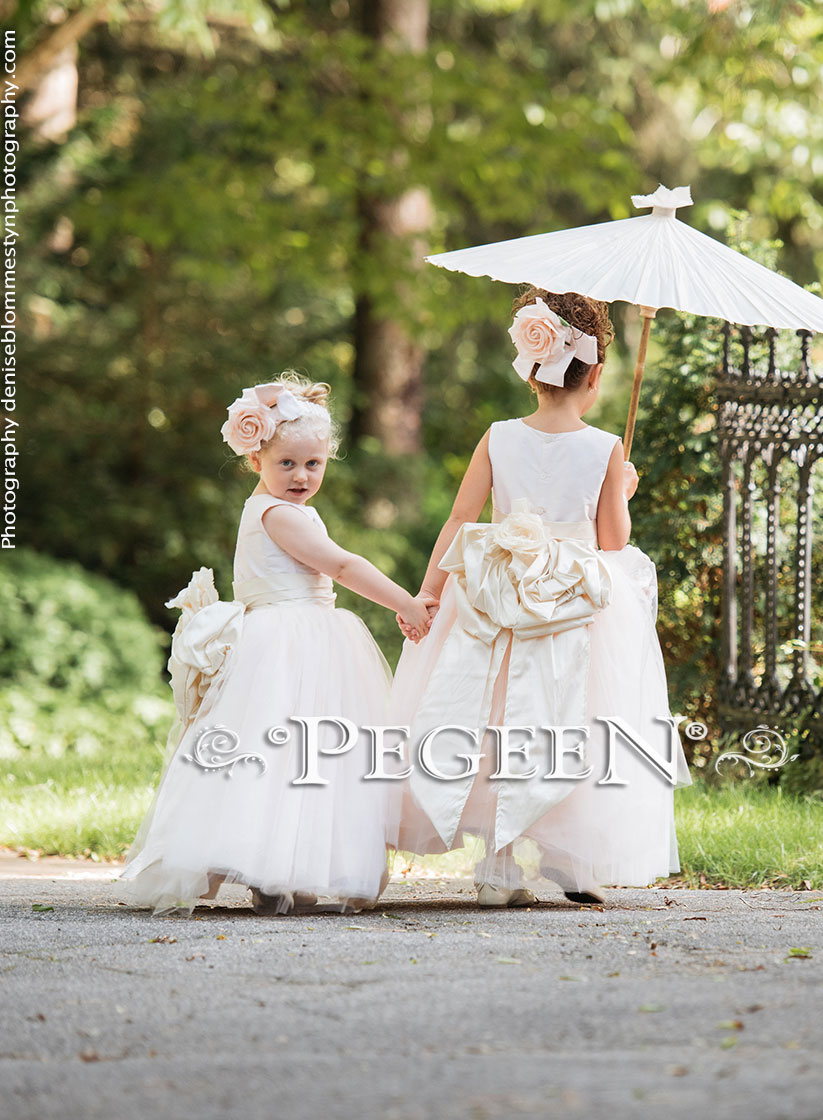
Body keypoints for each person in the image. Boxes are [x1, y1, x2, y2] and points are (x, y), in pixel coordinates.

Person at [392, 290, 692, 907]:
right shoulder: (606, 446)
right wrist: (622, 489)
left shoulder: (499, 435)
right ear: (597, 376)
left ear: (532, 365)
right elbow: (611, 541)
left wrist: (428, 593)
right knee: (567, 716)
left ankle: (498, 868)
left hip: (495, 593)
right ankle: (572, 860)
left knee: (492, 716)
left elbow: (458, 519)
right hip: (570, 601)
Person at [119, 374, 433, 916]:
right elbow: (340, 564)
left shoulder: (292, 508)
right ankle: (258, 864)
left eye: (314, 464)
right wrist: (404, 601)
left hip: (309, 637)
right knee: (273, 751)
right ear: (255, 458)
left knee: (306, 756)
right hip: (284, 642)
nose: (302, 475)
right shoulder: (275, 512)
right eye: (287, 463)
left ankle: (291, 865)